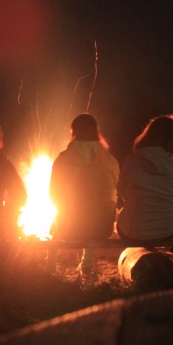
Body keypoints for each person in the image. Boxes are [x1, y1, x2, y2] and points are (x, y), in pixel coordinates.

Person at [48, 113, 120, 277]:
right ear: (96, 132)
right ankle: (86, 264)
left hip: (69, 228)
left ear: (73, 133)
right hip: (102, 228)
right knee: (97, 210)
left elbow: (52, 194)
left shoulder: (63, 159)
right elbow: (114, 188)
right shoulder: (109, 160)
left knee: (59, 217)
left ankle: (50, 264)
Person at [117, 116, 173, 245]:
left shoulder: (131, 161)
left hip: (131, 232)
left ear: (147, 135)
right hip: (167, 232)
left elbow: (122, 193)